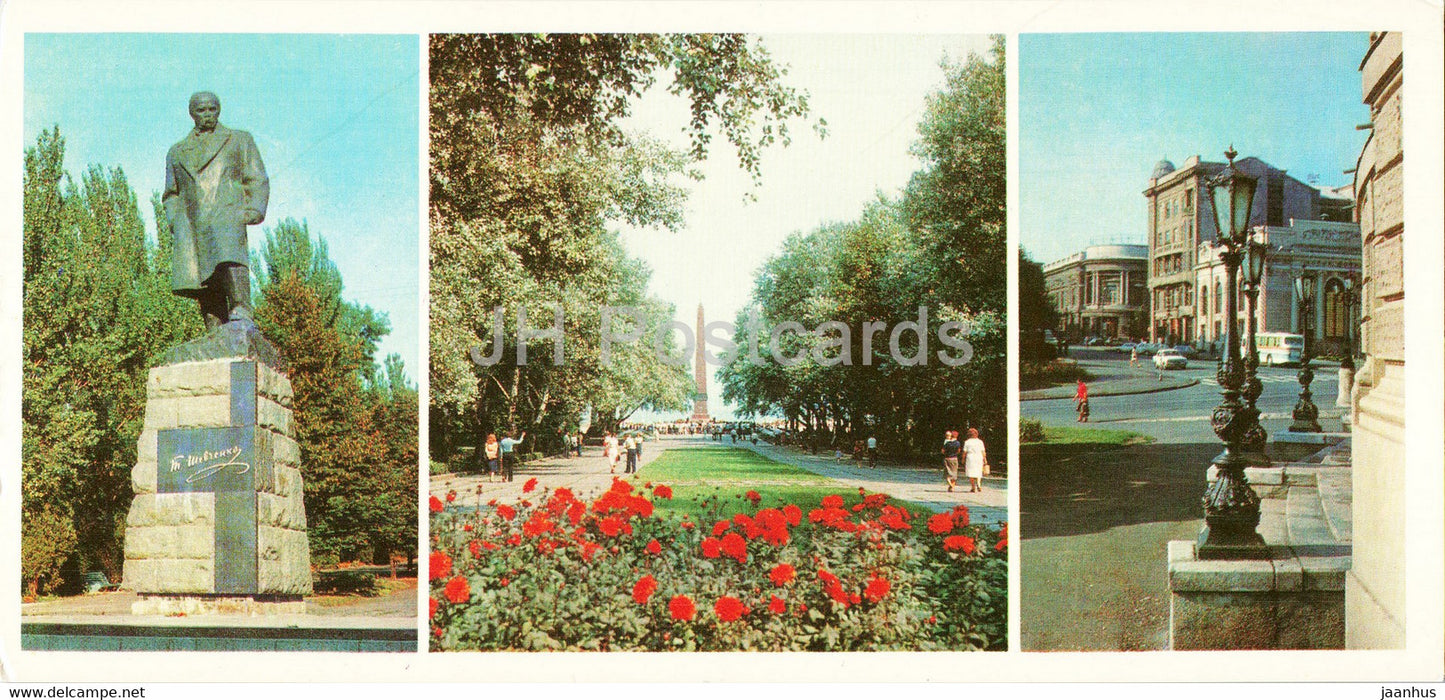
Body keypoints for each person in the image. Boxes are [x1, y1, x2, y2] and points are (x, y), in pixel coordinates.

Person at [163, 92, 269, 329]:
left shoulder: (239, 140)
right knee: (203, 278)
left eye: (213, 109)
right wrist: (175, 222)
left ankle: (242, 308)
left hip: (227, 214)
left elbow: (256, 177)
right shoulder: (177, 151)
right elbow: (171, 194)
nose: (208, 114)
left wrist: (254, 209)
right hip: (192, 223)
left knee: (229, 261)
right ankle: (214, 326)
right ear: (192, 114)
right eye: (202, 110)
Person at [962, 428, 989, 493]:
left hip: (970, 457)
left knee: (971, 472)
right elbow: (983, 452)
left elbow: (964, 452)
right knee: (978, 471)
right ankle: (979, 484)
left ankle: (973, 487)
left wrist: (963, 459)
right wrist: (985, 459)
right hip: (979, 457)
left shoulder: (967, 442)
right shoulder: (980, 442)